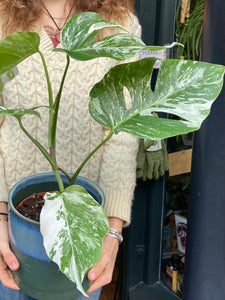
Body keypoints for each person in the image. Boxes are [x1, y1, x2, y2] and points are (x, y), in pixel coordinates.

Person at [0, 0, 141, 299]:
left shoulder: (118, 26)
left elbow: (122, 132)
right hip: (14, 231)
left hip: (86, 232)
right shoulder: (3, 22)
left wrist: (113, 232)